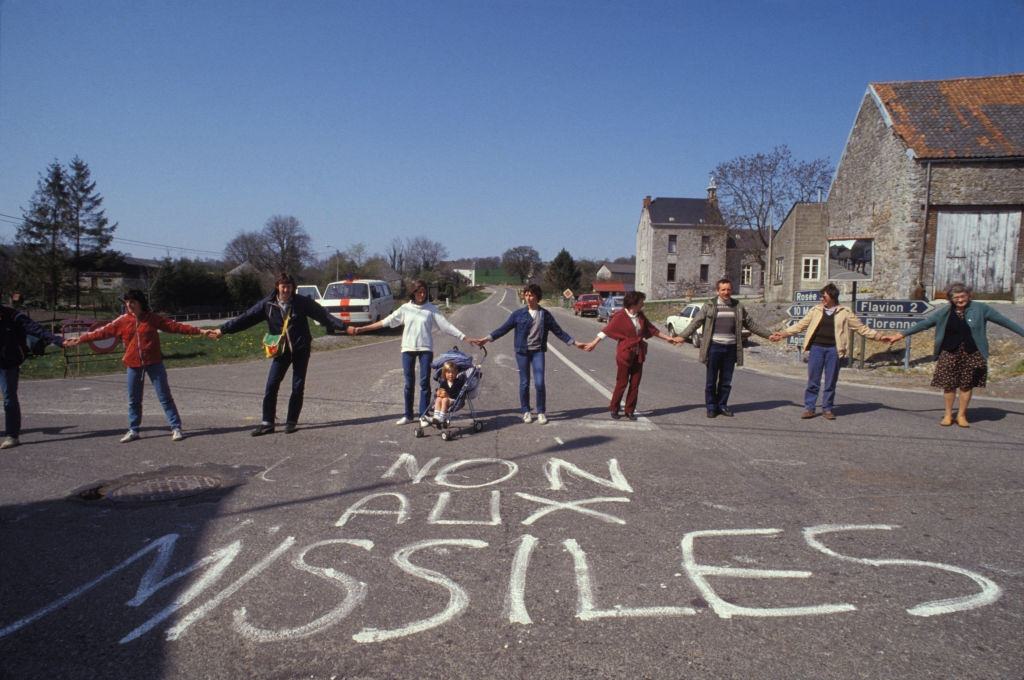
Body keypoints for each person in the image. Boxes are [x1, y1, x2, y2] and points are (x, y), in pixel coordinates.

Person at [212, 273, 348, 436]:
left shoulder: (302, 303)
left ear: (293, 287)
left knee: (297, 386)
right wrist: (223, 330)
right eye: (283, 286)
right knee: (271, 385)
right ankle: (267, 423)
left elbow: (323, 315)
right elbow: (246, 318)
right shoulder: (267, 304)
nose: (286, 289)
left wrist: (344, 327)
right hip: (281, 350)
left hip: (301, 349)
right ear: (277, 287)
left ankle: (291, 422)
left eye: (289, 286)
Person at [66, 290, 211, 442]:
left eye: (132, 302)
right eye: (127, 302)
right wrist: (81, 339)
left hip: (154, 363)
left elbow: (175, 327)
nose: (129, 305)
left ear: (140, 302)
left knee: (165, 397)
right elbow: (102, 332)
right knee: (134, 400)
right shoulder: (122, 321)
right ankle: (133, 430)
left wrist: (200, 331)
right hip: (133, 365)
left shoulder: (152, 318)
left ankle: (176, 428)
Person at [889, 282, 1024, 427]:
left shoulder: (981, 309)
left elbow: (1006, 322)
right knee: (949, 385)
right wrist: (900, 335)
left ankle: (961, 415)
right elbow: (925, 323)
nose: (960, 300)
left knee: (967, 385)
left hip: (973, 352)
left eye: (962, 296)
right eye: (956, 298)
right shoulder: (945, 312)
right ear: (950, 299)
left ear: (969, 295)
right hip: (949, 352)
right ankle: (948, 415)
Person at [352, 280, 481, 425]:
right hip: (407, 349)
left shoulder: (431, 309)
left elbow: (446, 326)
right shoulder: (405, 308)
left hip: (425, 349)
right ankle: (408, 415)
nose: (422, 294)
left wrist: (464, 337)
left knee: (424, 383)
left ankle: (423, 415)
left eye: (424, 292)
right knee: (408, 383)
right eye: (419, 292)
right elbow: (385, 322)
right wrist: (362, 329)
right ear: (413, 293)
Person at [769, 282, 893, 420]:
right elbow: (800, 326)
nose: (822, 298)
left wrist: (879, 337)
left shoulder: (845, 312)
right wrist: (783, 334)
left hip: (834, 350)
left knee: (830, 381)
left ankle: (827, 409)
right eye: (821, 296)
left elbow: (862, 328)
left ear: (832, 297)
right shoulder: (815, 310)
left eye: (824, 296)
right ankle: (809, 408)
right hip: (816, 348)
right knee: (813, 380)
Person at [481, 283, 585, 424]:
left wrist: (574, 342)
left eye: (531, 295)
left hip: (538, 352)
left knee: (539, 383)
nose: (528, 297)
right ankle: (526, 411)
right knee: (524, 383)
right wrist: (487, 338)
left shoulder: (545, 315)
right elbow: (503, 329)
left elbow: (558, 331)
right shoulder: (518, 314)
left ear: (537, 297)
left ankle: (541, 412)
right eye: (527, 294)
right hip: (522, 352)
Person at [676, 278, 772, 418]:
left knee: (726, 381)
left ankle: (722, 405)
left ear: (731, 290)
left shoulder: (738, 306)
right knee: (711, 380)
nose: (726, 292)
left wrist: (769, 335)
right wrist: (682, 336)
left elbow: (751, 324)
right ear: (718, 291)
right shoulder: (709, 305)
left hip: (731, 348)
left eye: (728, 289)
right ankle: (711, 407)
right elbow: (696, 322)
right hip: (714, 347)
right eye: (723, 290)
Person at [580, 290, 682, 420]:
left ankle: (630, 410)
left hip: (638, 353)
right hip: (625, 353)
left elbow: (653, 330)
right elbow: (607, 330)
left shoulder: (640, 316)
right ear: (633, 303)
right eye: (641, 302)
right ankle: (614, 408)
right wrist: (594, 343)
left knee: (635, 383)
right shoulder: (620, 316)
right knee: (622, 382)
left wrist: (668, 338)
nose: (643, 304)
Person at [0, 301, 65, 449]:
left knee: (9, 398)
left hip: (7, 363)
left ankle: (12, 436)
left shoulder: (12, 315)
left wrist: (58, 340)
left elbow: (35, 328)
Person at [431, 360, 466, 425]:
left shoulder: (457, 382)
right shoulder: (443, 382)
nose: (451, 374)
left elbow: (456, 392)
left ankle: (442, 417)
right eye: (448, 373)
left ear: (456, 373)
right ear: (445, 373)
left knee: (444, 400)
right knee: (438, 399)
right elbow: (441, 390)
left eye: (453, 373)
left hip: (453, 399)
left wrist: (446, 395)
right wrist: (439, 392)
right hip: (444, 398)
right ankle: (436, 416)